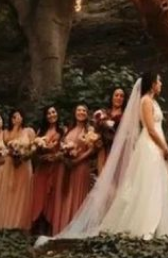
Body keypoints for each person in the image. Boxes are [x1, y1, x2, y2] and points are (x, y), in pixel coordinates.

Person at [98, 72, 168, 239]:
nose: (161, 84)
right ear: (152, 84)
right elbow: (150, 128)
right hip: (151, 145)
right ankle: (144, 224)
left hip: (155, 144)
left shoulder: (153, 101)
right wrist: (164, 146)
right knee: (148, 184)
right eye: (159, 81)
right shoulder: (145, 101)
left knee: (156, 183)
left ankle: (157, 223)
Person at [51, 103, 97, 234]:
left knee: (77, 195)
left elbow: (91, 150)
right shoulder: (68, 129)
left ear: (87, 114)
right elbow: (61, 146)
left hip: (81, 167)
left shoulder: (90, 131)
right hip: (65, 167)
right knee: (65, 196)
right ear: (75, 113)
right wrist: (64, 156)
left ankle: (75, 230)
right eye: (79, 110)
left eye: (84, 110)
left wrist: (78, 159)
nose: (81, 112)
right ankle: (61, 228)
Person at [0, 108, 36, 229]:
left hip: (24, 165)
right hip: (10, 165)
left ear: (23, 117)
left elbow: (33, 149)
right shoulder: (6, 132)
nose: (16, 119)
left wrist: (23, 157)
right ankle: (6, 223)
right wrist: (13, 153)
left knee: (23, 193)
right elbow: (6, 144)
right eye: (14, 117)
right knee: (10, 191)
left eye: (19, 116)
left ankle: (20, 224)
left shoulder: (29, 131)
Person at [31, 105, 63, 234]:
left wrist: (54, 156)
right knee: (39, 195)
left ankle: (49, 224)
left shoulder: (62, 131)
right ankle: (37, 222)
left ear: (57, 114)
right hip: (42, 168)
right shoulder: (41, 132)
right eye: (48, 113)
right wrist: (40, 150)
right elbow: (34, 152)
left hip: (55, 168)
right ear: (45, 116)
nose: (51, 115)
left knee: (51, 196)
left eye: (53, 112)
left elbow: (63, 150)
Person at [95, 88, 125, 173]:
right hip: (103, 150)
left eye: (121, 96)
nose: (119, 98)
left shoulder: (125, 116)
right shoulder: (103, 113)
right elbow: (97, 131)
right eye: (116, 95)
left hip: (118, 153)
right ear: (112, 97)